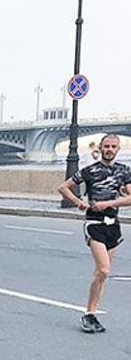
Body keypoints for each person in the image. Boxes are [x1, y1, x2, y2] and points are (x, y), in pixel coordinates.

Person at [58, 134, 131, 333]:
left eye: (113, 146)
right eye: (106, 146)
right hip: (94, 223)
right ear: (101, 147)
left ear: (118, 149)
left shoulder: (124, 171)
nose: (109, 149)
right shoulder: (90, 171)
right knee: (104, 269)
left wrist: (109, 203)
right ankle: (89, 314)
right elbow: (63, 187)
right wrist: (79, 202)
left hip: (113, 225)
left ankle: (91, 313)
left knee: (101, 274)